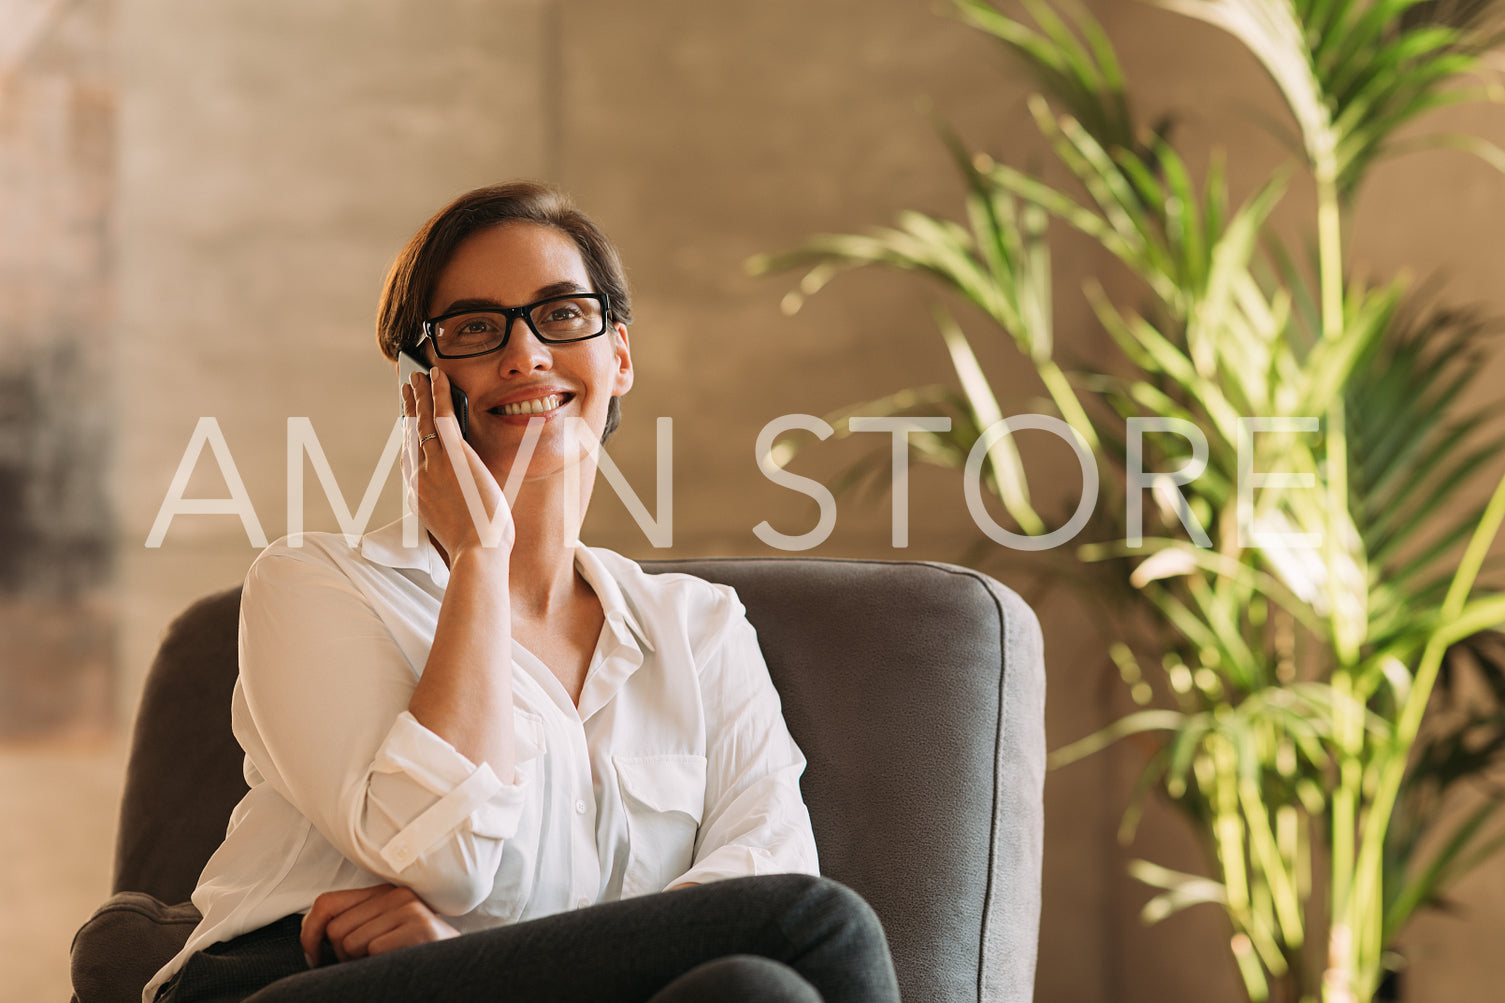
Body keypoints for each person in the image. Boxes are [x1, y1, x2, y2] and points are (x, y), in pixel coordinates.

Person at [143, 181, 900, 1003]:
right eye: (474, 327)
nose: (526, 354)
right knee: (823, 928)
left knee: (757, 989)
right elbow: (445, 857)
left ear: (619, 355)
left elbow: (765, 865)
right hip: (297, 984)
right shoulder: (316, 585)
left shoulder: (698, 626)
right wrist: (478, 553)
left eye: (562, 313)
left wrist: (476, 956)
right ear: (421, 383)